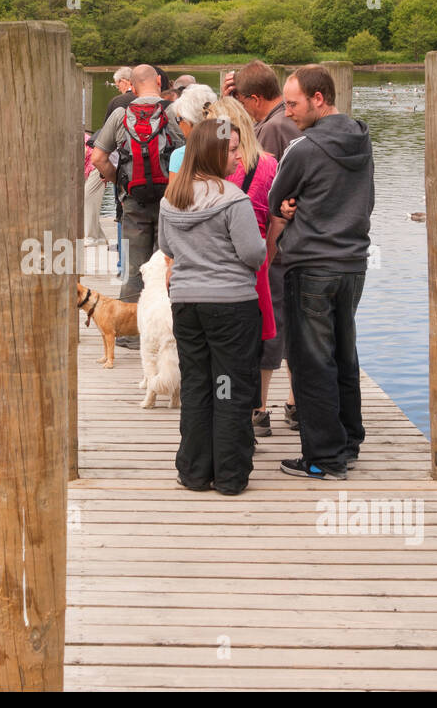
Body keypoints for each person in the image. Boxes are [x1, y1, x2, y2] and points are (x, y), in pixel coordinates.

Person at [267, 64, 374, 481]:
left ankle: (323, 458)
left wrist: (292, 207)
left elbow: (277, 201)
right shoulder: (362, 140)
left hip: (311, 265)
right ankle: (348, 442)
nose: (287, 111)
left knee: (312, 362)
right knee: (344, 355)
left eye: (292, 103)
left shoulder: (303, 147)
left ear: (318, 98)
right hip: (353, 264)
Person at [158, 118, 265, 495]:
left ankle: (194, 471)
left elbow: (167, 249)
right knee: (229, 387)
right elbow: (253, 254)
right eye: (233, 149)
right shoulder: (233, 199)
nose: (239, 158)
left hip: (187, 304)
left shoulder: (170, 199)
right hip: (231, 305)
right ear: (215, 152)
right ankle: (230, 474)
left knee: (199, 385)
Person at [91, 64, 185, 347]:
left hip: (132, 201)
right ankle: (165, 333)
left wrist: (117, 180)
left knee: (134, 268)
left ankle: (129, 335)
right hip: (169, 200)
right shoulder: (173, 111)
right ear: (158, 81)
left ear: (131, 86)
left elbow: (98, 157)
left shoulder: (121, 114)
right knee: (165, 265)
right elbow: (189, 152)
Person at [207, 97, 281, 438]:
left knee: (223, 345)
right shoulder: (269, 165)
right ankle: (259, 407)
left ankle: (224, 406)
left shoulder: (212, 167)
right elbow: (276, 213)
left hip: (218, 264)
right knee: (260, 336)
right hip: (259, 261)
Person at [222, 60, 302, 160]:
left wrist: (223, 113)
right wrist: (227, 106)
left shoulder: (272, 128)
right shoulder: (288, 114)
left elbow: (224, 151)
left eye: (242, 103)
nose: (243, 109)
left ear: (256, 99)